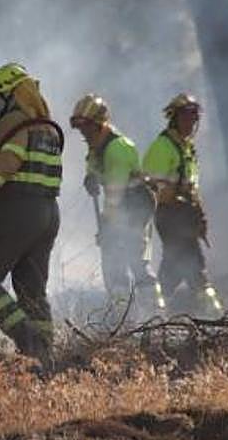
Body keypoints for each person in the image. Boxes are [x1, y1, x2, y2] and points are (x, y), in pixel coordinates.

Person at [0, 63, 63, 362]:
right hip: (48, 213)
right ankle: (46, 357)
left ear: (10, 95)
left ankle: (28, 341)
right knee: (31, 289)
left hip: (19, 209)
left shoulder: (15, 121)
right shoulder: (46, 128)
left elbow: (8, 160)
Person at [69, 93, 163, 318]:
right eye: (81, 128)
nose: (83, 133)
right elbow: (93, 164)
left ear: (100, 124)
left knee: (136, 259)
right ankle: (123, 317)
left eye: (87, 127)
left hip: (135, 204)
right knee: (113, 261)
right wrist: (89, 177)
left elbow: (115, 192)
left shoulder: (117, 148)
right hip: (121, 205)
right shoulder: (97, 144)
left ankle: (155, 315)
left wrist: (107, 225)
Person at [142, 93, 223, 316]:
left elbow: (191, 187)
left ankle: (152, 313)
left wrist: (199, 214)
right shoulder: (163, 147)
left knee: (174, 267)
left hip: (185, 216)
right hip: (169, 216)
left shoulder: (187, 148)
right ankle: (214, 316)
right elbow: (151, 186)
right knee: (194, 265)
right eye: (186, 118)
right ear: (174, 118)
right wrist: (177, 197)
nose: (191, 123)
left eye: (194, 118)